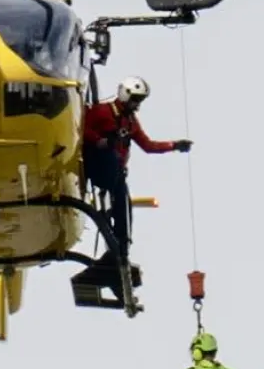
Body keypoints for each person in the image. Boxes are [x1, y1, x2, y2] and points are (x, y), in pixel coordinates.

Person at [81, 76, 191, 256]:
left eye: (139, 101)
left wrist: (175, 145)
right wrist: (100, 141)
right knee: (114, 165)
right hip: (96, 166)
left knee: (124, 203)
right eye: (135, 100)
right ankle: (115, 237)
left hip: (114, 174)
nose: (137, 105)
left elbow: (148, 146)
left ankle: (122, 247)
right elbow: (82, 129)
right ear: (125, 95)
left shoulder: (130, 122)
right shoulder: (102, 111)